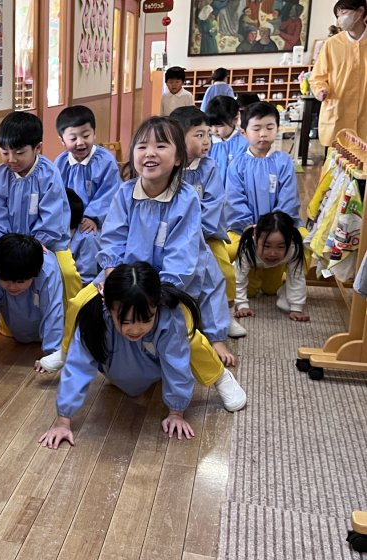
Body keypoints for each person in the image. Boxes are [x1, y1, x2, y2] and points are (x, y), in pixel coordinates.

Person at [63, 116, 247, 411]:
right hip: (124, 282)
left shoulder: (186, 198)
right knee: (79, 305)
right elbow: (113, 241)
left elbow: (181, 256)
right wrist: (113, 279)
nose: (150, 153)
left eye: (161, 146)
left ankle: (220, 377)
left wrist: (156, 293)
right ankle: (66, 352)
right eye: (142, 146)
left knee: (183, 331)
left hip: (167, 287)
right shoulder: (125, 192)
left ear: (178, 158)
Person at [38, 262, 202, 450]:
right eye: (126, 321)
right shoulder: (94, 318)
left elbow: (177, 365)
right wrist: (63, 422)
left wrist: (176, 413)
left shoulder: (168, 317)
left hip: (154, 373)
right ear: (108, 308)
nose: (136, 329)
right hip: (114, 370)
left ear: (157, 306)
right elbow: (77, 368)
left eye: (146, 319)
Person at [0, 112, 79, 313]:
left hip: (46, 244)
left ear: (37, 148)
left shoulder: (49, 174)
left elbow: (52, 219)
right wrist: (6, 249)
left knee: (66, 274)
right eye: (5, 152)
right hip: (7, 245)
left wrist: (33, 248)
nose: (11, 159)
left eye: (19, 152)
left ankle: (68, 322)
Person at [170, 105, 244, 355]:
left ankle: (226, 316)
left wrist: (195, 233)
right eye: (199, 135)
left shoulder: (209, 167)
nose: (206, 141)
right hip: (174, 237)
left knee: (222, 269)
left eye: (208, 134)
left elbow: (213, 204)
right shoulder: (169, 166)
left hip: (205, 234)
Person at [0, 233, 65, 378]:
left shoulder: (47, 272)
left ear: (36, 272)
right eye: (4, 279)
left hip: (46, 326)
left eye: (20, 281)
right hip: (16, 327)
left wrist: (52, 355)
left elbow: (52, 313)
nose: (11, 286)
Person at [53, 105, 121, 286]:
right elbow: (54, 193)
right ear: (62, 140)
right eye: (73, 138)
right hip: (67, 219)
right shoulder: (60, 162)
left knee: (88, 239)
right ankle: (63, 279)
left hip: (98, 220)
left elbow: (110, 192)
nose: (80, 142)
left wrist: (92, 216)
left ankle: (87, 283)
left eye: (86, 135)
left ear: (94, 133)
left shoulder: (105, 161)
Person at [224, 101, 302, 237]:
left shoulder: (284, 161)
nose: (263, 133)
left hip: (280, 229)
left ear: (277, 129)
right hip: (244, 231)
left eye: (269, 128)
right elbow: (234, 200)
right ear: (243, 132)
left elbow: (289, 199)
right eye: (256, 129)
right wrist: (247, 226)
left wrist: (276, 226)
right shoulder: (236, 165)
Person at [234, 211, 309, 325]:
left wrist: (296, 308)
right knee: (250, 292)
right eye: (267, 246)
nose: (273, 253)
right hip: (253, 267)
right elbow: (238, 278)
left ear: (291, 240)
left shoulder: (293, 249)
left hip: (277, 266)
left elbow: (297, 277)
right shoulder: (248, 248)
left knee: (271, 290)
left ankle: (284, 289)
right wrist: (242, 305)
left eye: (280, 247)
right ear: (255, 238)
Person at [310, 0, 367, 147]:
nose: (340, 18)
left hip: (364, 114)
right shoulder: (332, 44)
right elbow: (317, 77)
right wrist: (320, 89)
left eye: (344, 13)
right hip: (338, 112)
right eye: (338, 14)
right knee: (338, 156)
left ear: (360, 11)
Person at [206, 95, 249, 185]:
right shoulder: (207, 141)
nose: (213, 130)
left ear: (235, 119)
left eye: (219, 126)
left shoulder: (244, 142)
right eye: (210, 125)